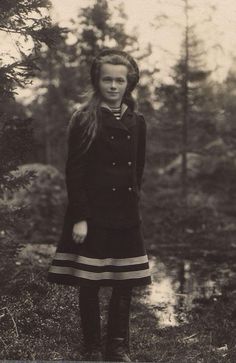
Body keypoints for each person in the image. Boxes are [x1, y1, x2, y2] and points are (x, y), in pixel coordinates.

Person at [47, 48, 152, 362]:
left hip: (125, 213)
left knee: (125, 281)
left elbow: (139, 168)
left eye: (120, 80)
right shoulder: (85, 118)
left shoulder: (138, 121)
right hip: (92, 213)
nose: (113, 86)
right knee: (89, 280)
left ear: (128, 83)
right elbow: (74, 171)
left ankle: (118, 347)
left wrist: (132, 202)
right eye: (107, 79)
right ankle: (92, 346)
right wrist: (80, 216)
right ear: (97, 81)